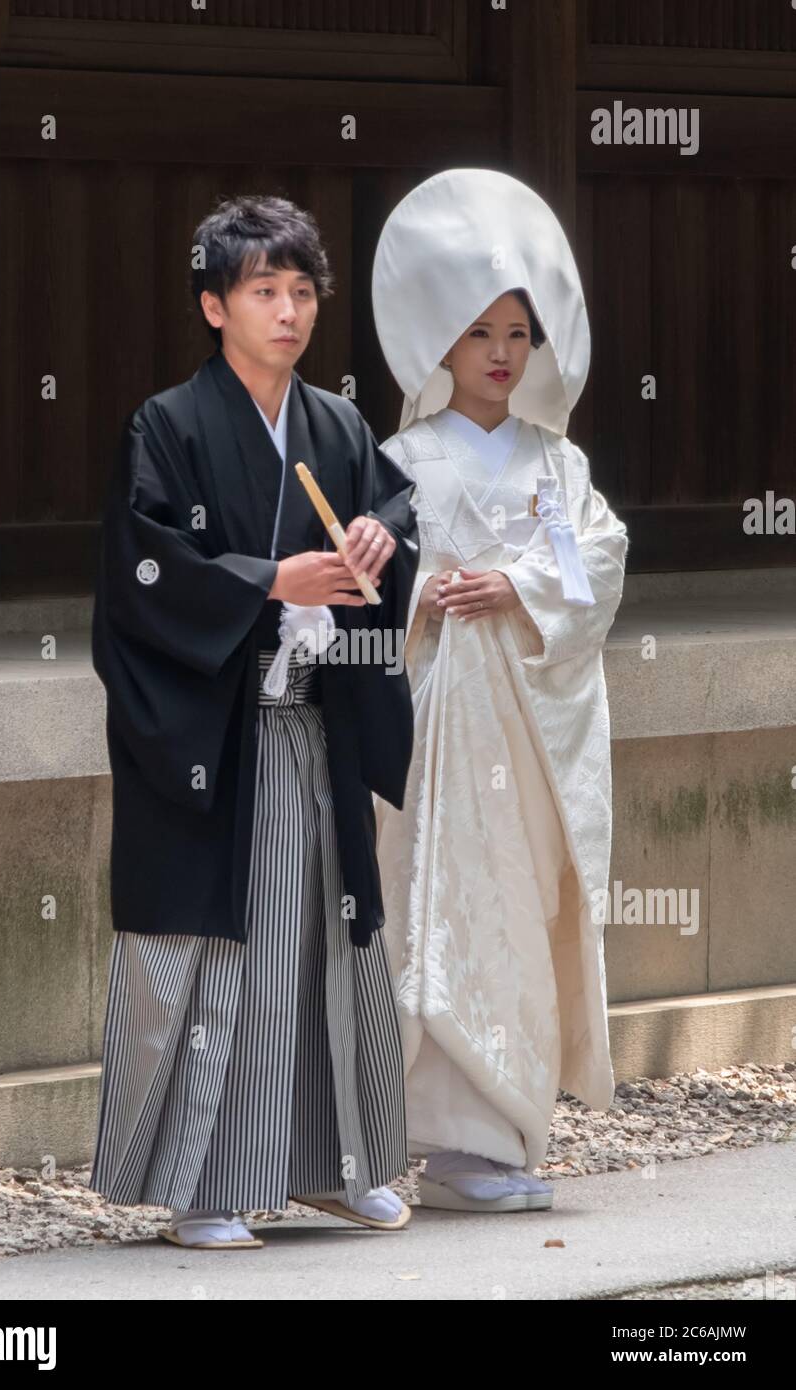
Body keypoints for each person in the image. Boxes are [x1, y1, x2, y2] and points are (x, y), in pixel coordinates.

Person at [89, 194, 420, 1248]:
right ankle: (205, 1188)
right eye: (263, 290)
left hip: (318, 730)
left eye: (302, 290)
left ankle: (340, 1163)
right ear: (213, 305)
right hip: (222, 741)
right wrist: (270, 579)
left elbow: (397, 512)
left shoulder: (336, 424)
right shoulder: (169, 427)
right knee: (228, 957)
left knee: (332, 938)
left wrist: (375, 539)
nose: (288, 311)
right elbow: (141, 576)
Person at [370, 168, 629, 1212]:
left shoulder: (555, 465)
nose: (499, 351)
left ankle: (513, 1127)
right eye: (480, 331)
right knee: (433, 903)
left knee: (518, 905)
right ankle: (444, 1141)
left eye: (517, 332)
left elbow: (594, 567)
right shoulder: (398, 458)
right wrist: (428, 593)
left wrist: (516, 582)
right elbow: (360, 579)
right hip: (437, 718)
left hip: (523, 728)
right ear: (443, 342)